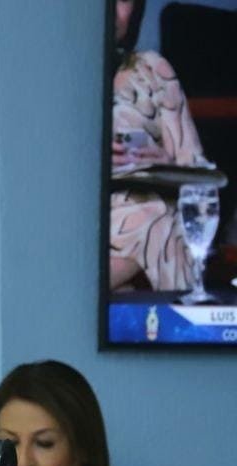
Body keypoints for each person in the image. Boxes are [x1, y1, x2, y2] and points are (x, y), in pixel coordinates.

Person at [109, 0, 209, 291]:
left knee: (153, 216)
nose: (112, 10)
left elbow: (202, 182)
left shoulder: (151, 70)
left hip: (146, 214)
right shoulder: (55, 78)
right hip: (73, 220)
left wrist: (166, 166)